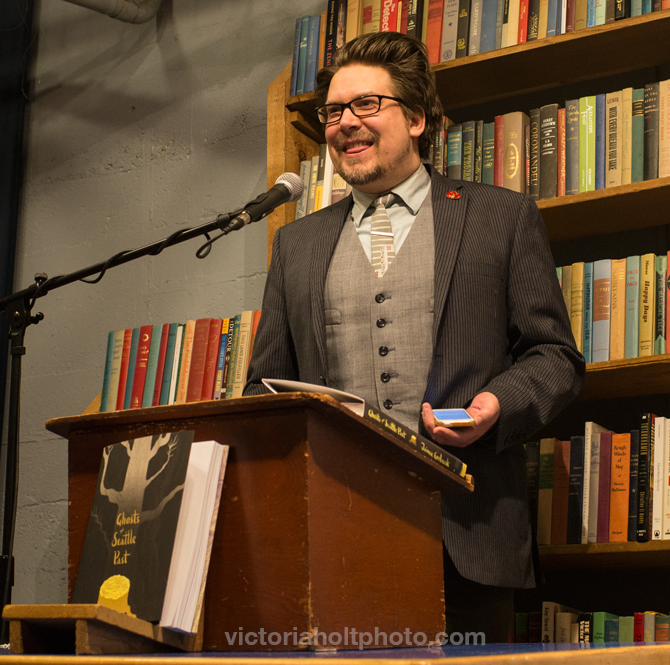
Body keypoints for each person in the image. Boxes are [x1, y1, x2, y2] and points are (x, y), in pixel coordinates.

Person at [244, 31, 585, 641]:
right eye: (333, 111)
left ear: (419, 118)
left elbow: (554, 356)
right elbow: (261, 386)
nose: (346, 122)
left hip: (468, 534)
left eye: (367, 105)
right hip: (331, 539)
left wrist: (496, 406)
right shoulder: (295, 245)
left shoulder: (500, 217)